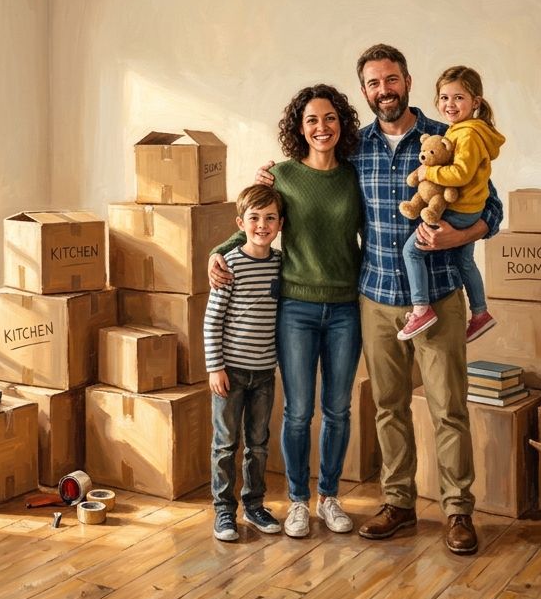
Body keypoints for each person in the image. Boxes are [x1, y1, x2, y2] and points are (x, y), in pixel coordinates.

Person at [251, 45, 503, 555]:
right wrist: (264, 184)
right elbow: (305, 183)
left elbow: (491, 210)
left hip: (438, 295)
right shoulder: (355, 149)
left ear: (407, 81)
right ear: (364, 92)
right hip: (375, 298)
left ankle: (457, 511)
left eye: (391, 80)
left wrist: (457, 239)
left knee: (448, 407)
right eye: (372, 84)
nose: (383, 91)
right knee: (388, 407)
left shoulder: (447, 137)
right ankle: (399, 503)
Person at [208, 84, 364, 539]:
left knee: (337, 409)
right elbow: (255, 223)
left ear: (342, 124)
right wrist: (218, 251)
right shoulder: (281, 176)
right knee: (298, 412)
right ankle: (297, 501)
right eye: (312, 120)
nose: (322, 127)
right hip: (295, 307)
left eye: (330, 118)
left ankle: (328, 496)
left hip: (345, 309)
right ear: (300, 127)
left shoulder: (354, 178)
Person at [396, 66, 506, 342]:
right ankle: (480, 313)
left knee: (412, 251)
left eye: (458, 98)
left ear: (475, 102)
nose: (450, 104)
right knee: (464, 260)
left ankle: (421, 308)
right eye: (444, 98)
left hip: (461, 210)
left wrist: (427, 173)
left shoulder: (467, 135)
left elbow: (460, 174)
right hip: (469, 207)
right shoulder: (459, 131)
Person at [204, 184, 286, 541]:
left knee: (258, 442)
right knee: (225, 444)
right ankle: (224, 511)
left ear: (280, 224)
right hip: (230, 373)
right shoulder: (229, 264)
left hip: (265, 373)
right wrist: (214, 367)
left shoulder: (282, 265)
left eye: (270, 218)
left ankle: (254, 504)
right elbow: (212, 319)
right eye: (254, 218)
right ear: (241, 222)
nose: (262, 225)